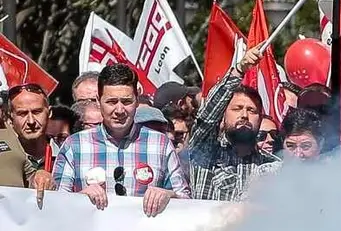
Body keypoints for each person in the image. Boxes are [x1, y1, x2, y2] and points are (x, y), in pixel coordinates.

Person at [53, 64, 188, 216]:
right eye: (111, 102)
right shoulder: (74, 146)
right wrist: (80, 198)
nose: (119, 110)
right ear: (98, 101)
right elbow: (57, 206)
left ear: (137, 99)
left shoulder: (160, 144)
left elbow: (185, 201)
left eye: (126, 101)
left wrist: (169, 196)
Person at [186, 46, 282, 201]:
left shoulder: (272, 166)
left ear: (261, 117)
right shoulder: (206, 151)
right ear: (223, 115)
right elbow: (207, 117)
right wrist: (239, 69)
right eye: (237, 109)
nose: (244, 115)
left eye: (252, 111)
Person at [6, 84, 52, 173]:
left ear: (49, 113)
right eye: (22, 113)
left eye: (37, 112)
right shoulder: (3, 157)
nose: (31, 121)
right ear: (10, 118)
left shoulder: (67, 152)